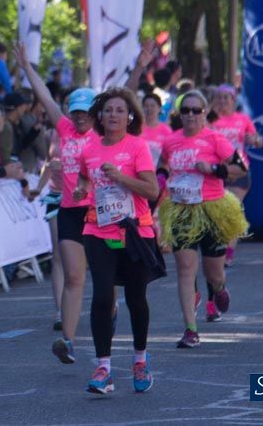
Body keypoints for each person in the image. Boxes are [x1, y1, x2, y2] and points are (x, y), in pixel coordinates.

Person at [15, 43, 98, 364]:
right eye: (75, 112)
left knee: (103, 278)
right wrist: (27, 68)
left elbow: (126, 95)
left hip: (100, 214)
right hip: (69, 211)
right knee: (74, 275)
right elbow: (46, 99)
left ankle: (110, 309)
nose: (78, 118)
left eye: (85, 113)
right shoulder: (64, 129)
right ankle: (68, 340)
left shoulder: (104, 134)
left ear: (95, 114)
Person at [74, 88, 161, 394]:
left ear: (130, 117)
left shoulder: (138, 147)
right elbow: (85, 178)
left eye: (119, 111)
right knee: (101, 297)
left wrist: (121, 177)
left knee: (136, 298)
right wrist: (79, 190)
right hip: (98, 232)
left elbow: (152, 191)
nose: (113, 115)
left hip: (135, 233)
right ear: (100, 116)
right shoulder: (89, 149)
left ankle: (139, 359)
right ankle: (103, 368)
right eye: (108, 110)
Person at [157, 91, 249, 347]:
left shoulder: (216, 140)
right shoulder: (171, 141)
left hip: (212, 210)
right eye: (185, 110)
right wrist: (161, 178)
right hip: (181, 210)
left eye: (196, 110)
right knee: (186, 269)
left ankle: (219, 289)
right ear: (179, 114)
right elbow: (163, 164)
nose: (190, 115)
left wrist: (215, 169)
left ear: (205, 113)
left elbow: (240, 168)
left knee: (213, 273)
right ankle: (190, 329)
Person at [209, 84, 262, 267]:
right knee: (218, 214)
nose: (223, 101)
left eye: (227, 97)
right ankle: (219, 249)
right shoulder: (209, 120)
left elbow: (258, 141)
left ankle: (228, 251)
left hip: (239, 170)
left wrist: (254, 140)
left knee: (231, 209)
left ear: (233, 100)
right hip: (215, 172)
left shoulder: (243, 119)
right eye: (219, 97)